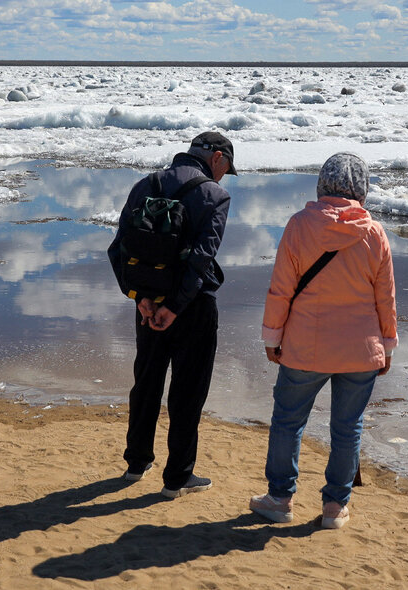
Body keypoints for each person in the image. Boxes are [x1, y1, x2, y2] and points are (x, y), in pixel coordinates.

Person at [249, 152, 397, 529]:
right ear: (362, 189)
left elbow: (281, 289)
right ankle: (335, 507)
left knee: (288, 421)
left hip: (304, 347)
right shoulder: (375, 232)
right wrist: (387, 344)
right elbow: (386, 298)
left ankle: (280, 499)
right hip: (360, 350)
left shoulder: (300, 226)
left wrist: (273, 336)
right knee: (348, 427)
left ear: (322, 184)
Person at [107, 131, 236, 498]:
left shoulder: (145, 184)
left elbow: (118, 249)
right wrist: (175, 308)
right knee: (187, 391)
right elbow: (200, 260)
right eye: (227, 167)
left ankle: (136, 462)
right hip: (191, 309)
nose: (225, 175)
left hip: (148, 305)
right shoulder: (215, 196)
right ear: (217, 159)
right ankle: (177, 477)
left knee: (146, 380)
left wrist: (139, 299)